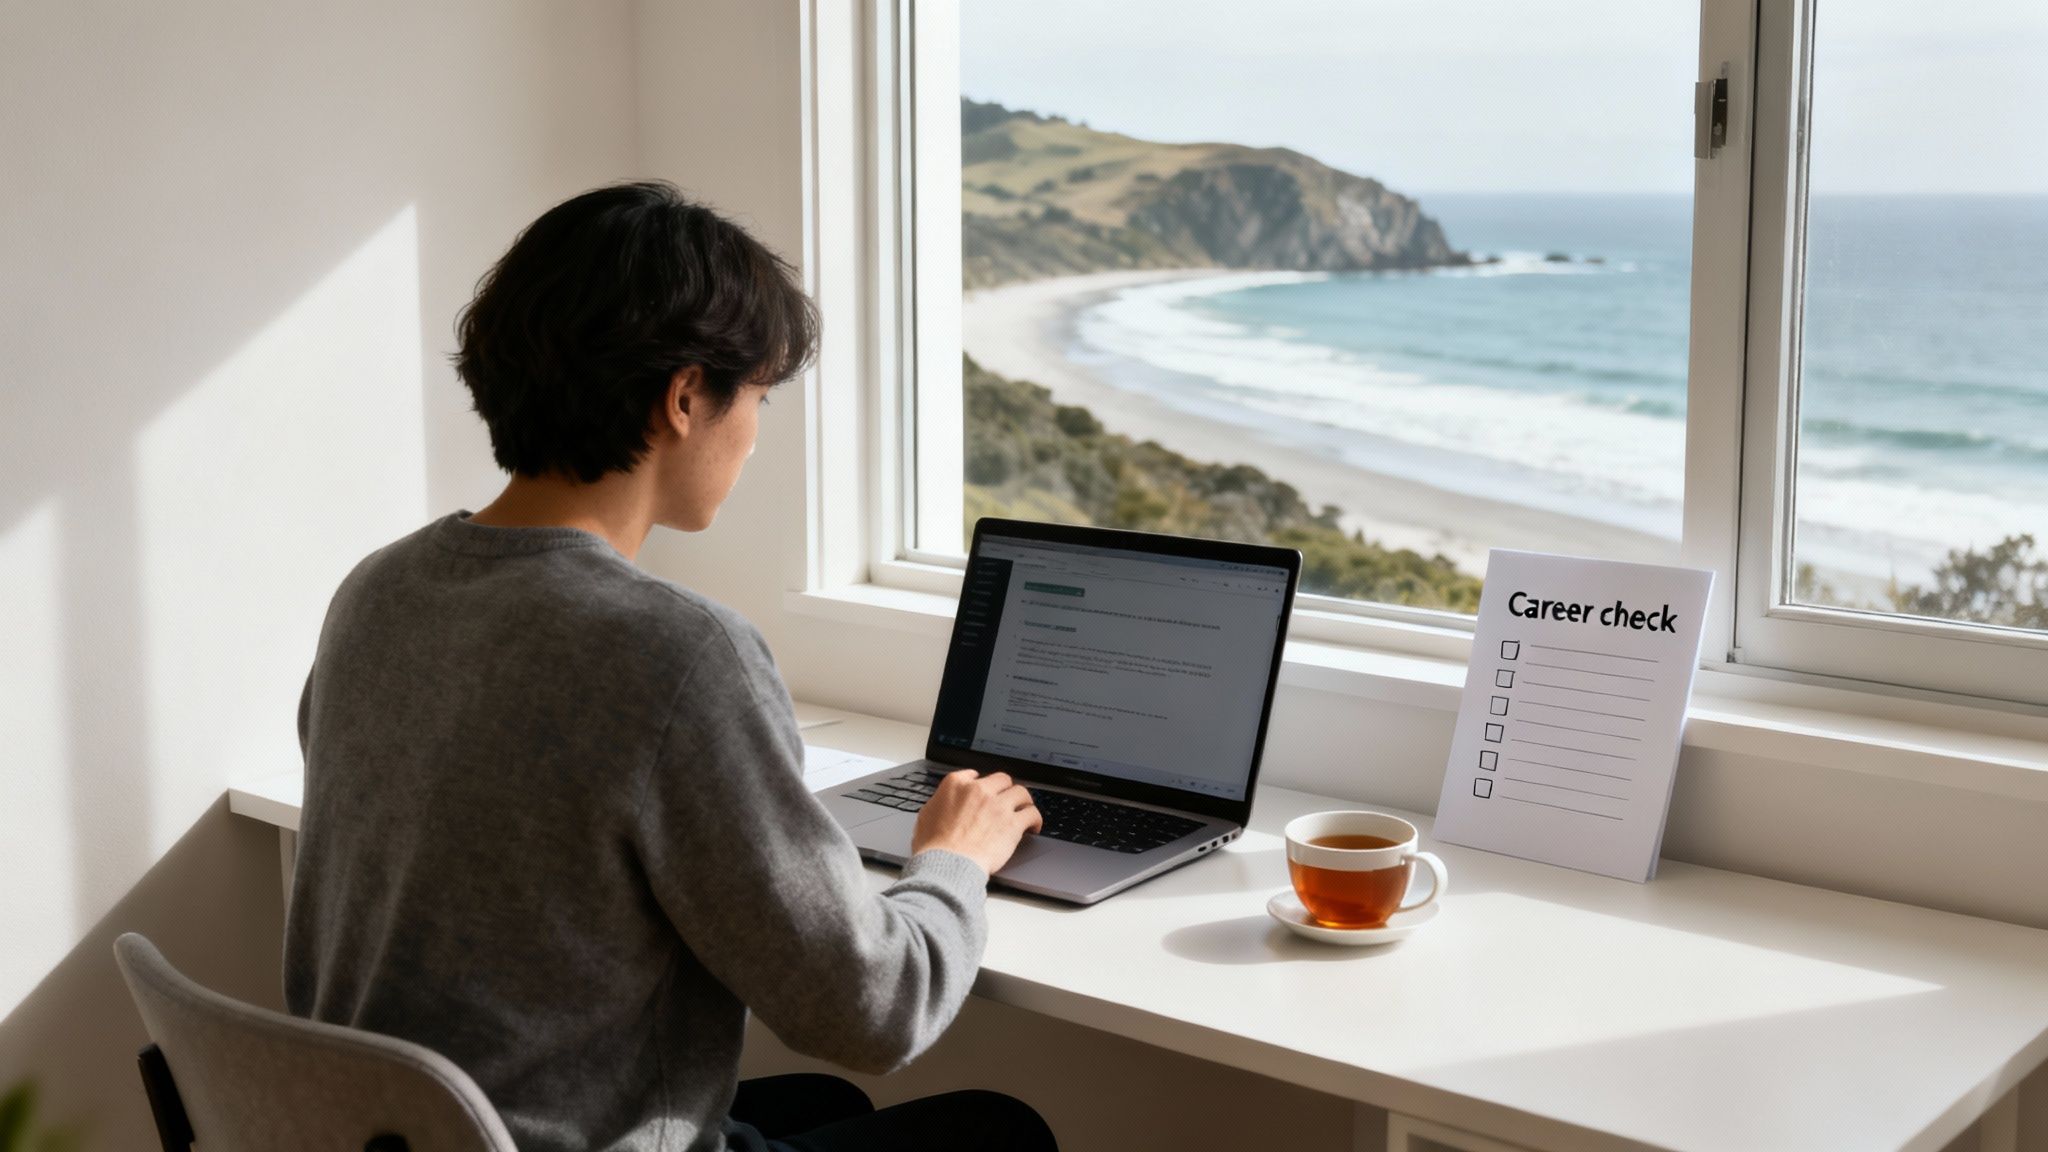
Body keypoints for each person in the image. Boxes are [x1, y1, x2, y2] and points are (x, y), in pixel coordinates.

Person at [285, 181, 1056, 1152]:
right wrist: (955, 855)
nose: (756, 432)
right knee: (995, 1129)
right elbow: (874, 1010)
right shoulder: (677, 651)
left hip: (397, 1134)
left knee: (823, 1110)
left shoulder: (378, 590)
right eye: (760, 396)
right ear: (686, 396)